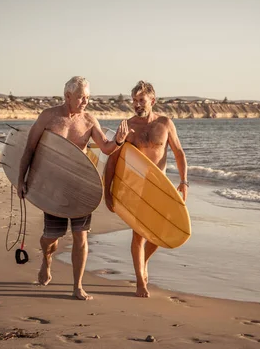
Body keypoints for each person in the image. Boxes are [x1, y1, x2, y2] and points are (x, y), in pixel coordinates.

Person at [17, 76, 131, 300]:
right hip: (53, 187)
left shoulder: (89, 120)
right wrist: (21, 180)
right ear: (67, 96)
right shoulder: (48, 117)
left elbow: (106, 148)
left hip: (80, 185)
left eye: (88, 97)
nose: (85, 101)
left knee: (81, 237)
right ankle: (46, 260)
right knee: (51, 238)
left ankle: (77, 286)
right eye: (81, 97)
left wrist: (118, 140)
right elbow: (30, 148)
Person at [104, 80, 188, 298]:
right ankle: (140, 282)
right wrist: (108, 192)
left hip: (161, 188)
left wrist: (184, 181)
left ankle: (144, 263)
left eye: (141, 100)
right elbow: (113, 161)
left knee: (158, 234)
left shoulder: (165, 123)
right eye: (134, 101)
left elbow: (179, 153)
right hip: (137, 189)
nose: (137, 104)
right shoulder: (128, 127)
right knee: (139, 236)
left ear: (153, 100)